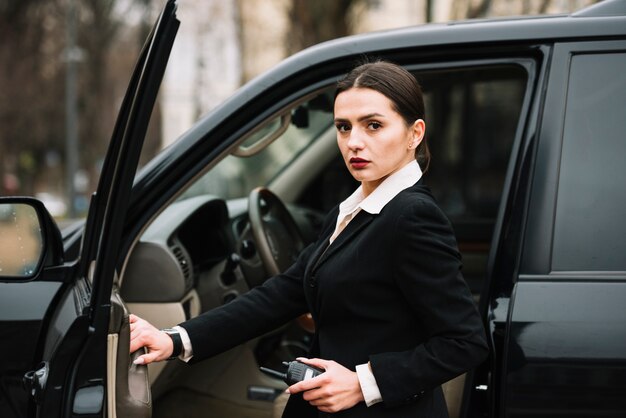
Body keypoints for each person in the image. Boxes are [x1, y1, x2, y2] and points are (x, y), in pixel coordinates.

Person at [130, 60, 489, 418]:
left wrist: (362, 383)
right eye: (343, 127)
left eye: (374, 125)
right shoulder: (354, 209)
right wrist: (176, 338)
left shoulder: (412, 217)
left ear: (415, 133)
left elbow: (464, 342)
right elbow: (285, 292)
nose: (354, 142)